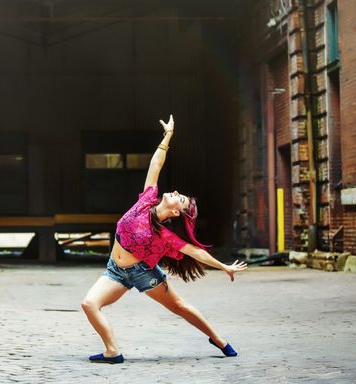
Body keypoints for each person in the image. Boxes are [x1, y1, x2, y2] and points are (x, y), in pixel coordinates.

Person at [81, 114, 247, 364]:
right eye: (179, 194)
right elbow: (156, 165)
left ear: (175, 213)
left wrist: (223, 266)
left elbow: (195, 252)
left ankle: (219, 340)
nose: (177, 193)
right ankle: (112, 352)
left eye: (179, 199)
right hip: (115, 271)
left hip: (143, 273)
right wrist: (168, 135)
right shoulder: (147, 199)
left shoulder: (166, 236)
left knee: (179, 306)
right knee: (89, 304)